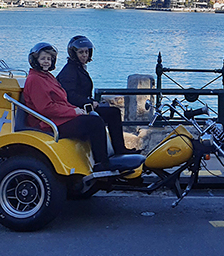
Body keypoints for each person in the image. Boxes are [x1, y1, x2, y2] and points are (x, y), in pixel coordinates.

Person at [22, 42, 113, 172]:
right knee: (95, 123)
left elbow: (62, 100)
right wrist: (73, 111)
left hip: (58, 118)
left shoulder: (47, 76)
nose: (47, 62)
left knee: (93, 117)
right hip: (48, 122)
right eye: (43, 59)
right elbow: (46, 108)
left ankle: (101, 159)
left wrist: (78, 111)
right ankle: (102, 164)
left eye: (49, 59)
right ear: (34, 60)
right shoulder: (35, 79)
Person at [57, 35, 140, 155]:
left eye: (86, 52)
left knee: (114, 112)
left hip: (84, 107)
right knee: (108, 116)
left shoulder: (77, 68)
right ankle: (104, 157)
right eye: (81, 52)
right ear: (73, 53)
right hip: (76, 110)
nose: (84, 55)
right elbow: (70, 95)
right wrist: (89, 102)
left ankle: (119, 149)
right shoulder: (69, 71)